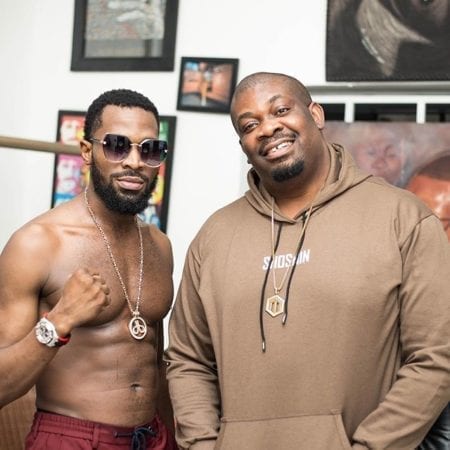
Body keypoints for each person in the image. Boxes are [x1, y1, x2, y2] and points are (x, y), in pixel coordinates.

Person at [165, 72, 450, 449]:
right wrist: (202, 444)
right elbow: (188, 361)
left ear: (315, 114)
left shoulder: (403, 217)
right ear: (242, 144)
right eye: (250, 125)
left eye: (281, 110)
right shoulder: (213, 237)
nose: (268, 128)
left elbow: (435, 356)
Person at [0, 89, 178, 449]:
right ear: (86, 151)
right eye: (117, 146)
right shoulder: (38, 243)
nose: (134, 162)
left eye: (149, 149)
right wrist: (59, 322)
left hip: (153, 437)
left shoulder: (160, 246)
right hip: (73, 438)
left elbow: (154, 363)